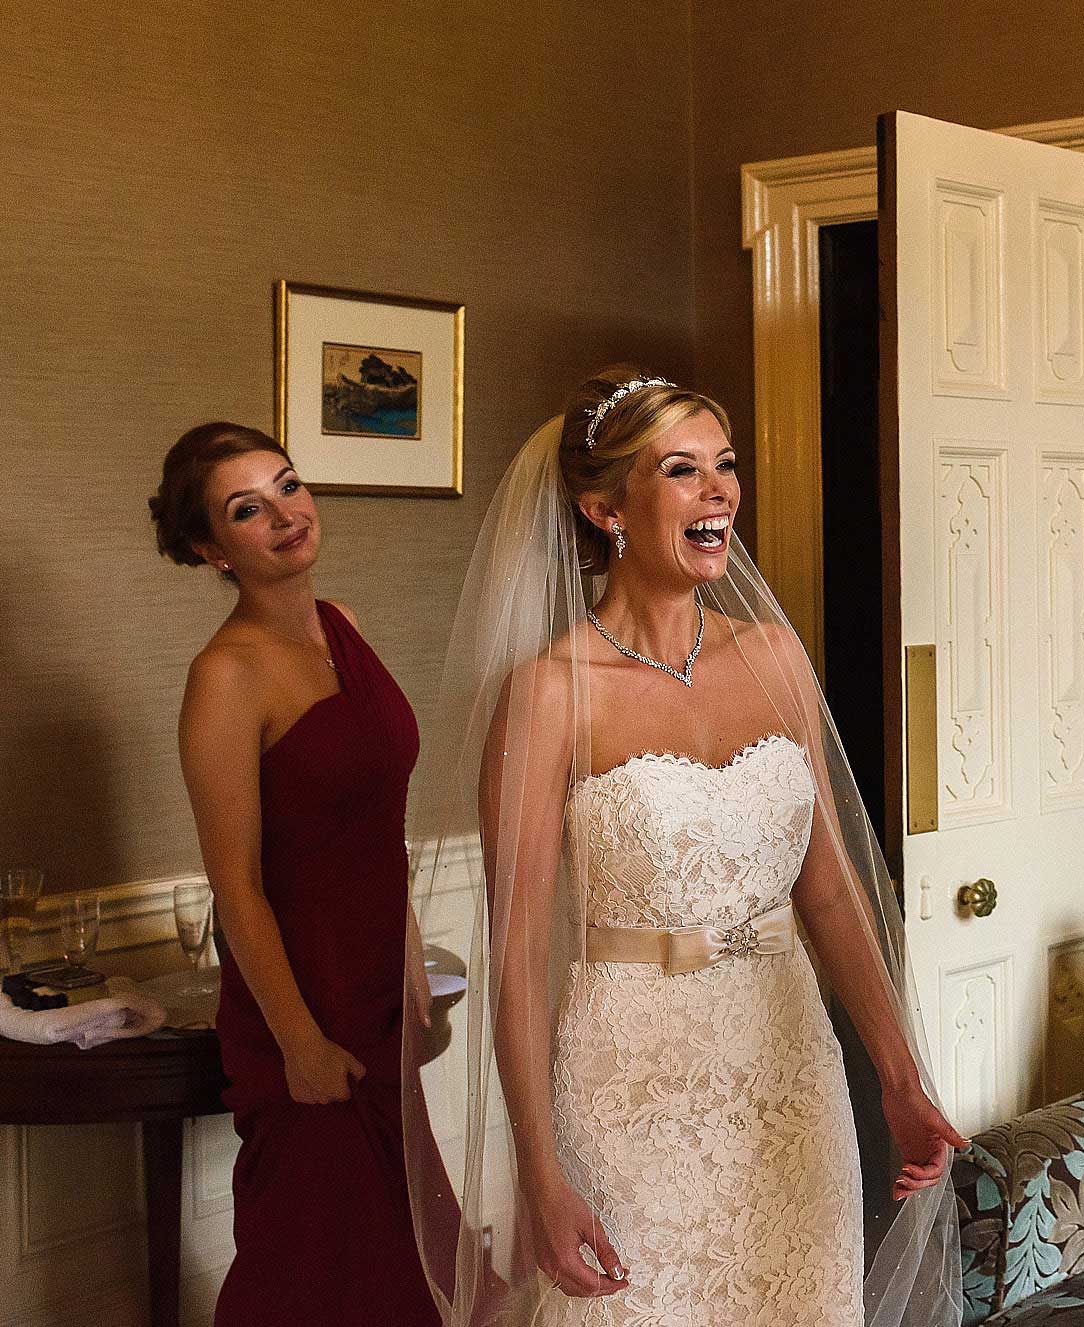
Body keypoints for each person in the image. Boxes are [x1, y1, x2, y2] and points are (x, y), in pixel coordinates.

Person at [406, 371, 965, 1326]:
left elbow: (827, 892)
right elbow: (521, 954)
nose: (719, 492)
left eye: (725, 466)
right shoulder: (548, 695)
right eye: (681, 470)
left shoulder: (776, 657)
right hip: (631, 1086)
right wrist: (539, 1171)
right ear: (605, 508)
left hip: (790, 1071)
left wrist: (901, 1079)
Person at [151, 423, 441, 1324]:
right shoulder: (224, 677)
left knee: (403, 1257)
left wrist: (412, 963)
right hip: (301, 1008)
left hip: (380, 992)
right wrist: (299, 1042)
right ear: (211, 549)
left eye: (288, 485)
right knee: (313, 1266)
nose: (285, 514)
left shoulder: (344, 625)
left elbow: (376, 829)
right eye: (248, 508)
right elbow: (234, 884)